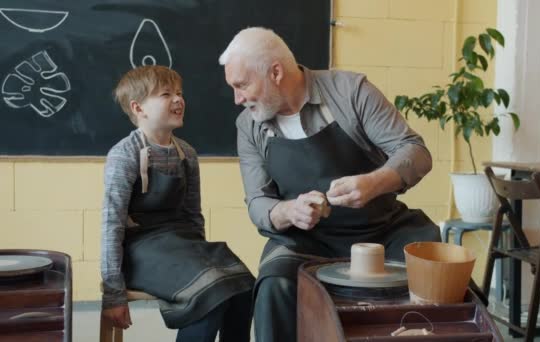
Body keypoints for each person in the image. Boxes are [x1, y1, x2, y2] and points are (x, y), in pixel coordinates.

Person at [219, 27, 441, 342]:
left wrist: (374, 182)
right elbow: (257, 201)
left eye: (242, 85)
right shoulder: (249, 126)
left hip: (382, 230)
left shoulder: (351, 91)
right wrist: (288, 211)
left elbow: (416, 152)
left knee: (435, 274)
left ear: (276, 72)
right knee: (273, 284)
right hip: (305, 242)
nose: (237, 99)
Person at [100, 65, 254, 342]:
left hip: (180, 244)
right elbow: (112, 225)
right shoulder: (124, 155)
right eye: (165, 94)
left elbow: (193, 216)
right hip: (139, 250)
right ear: (138, 108)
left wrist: (202, 262)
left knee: (243, 285)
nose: (178, 99)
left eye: (180, 93)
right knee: (211, 293)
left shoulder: (187, 154)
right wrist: (114, 292)